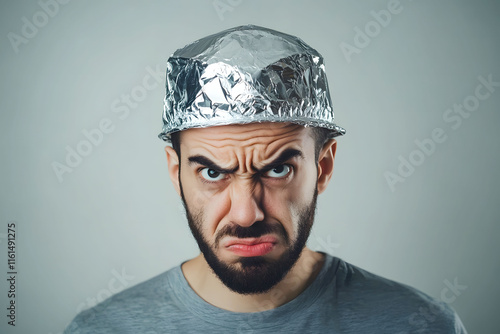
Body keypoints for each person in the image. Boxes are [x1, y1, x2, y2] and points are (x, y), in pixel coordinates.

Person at [65, 25, 467, 333]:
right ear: (177, 172)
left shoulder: (419, 324)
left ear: (322, 167)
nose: (245, 214)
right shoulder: (103, 329)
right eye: (212, 172)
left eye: (277, 169)